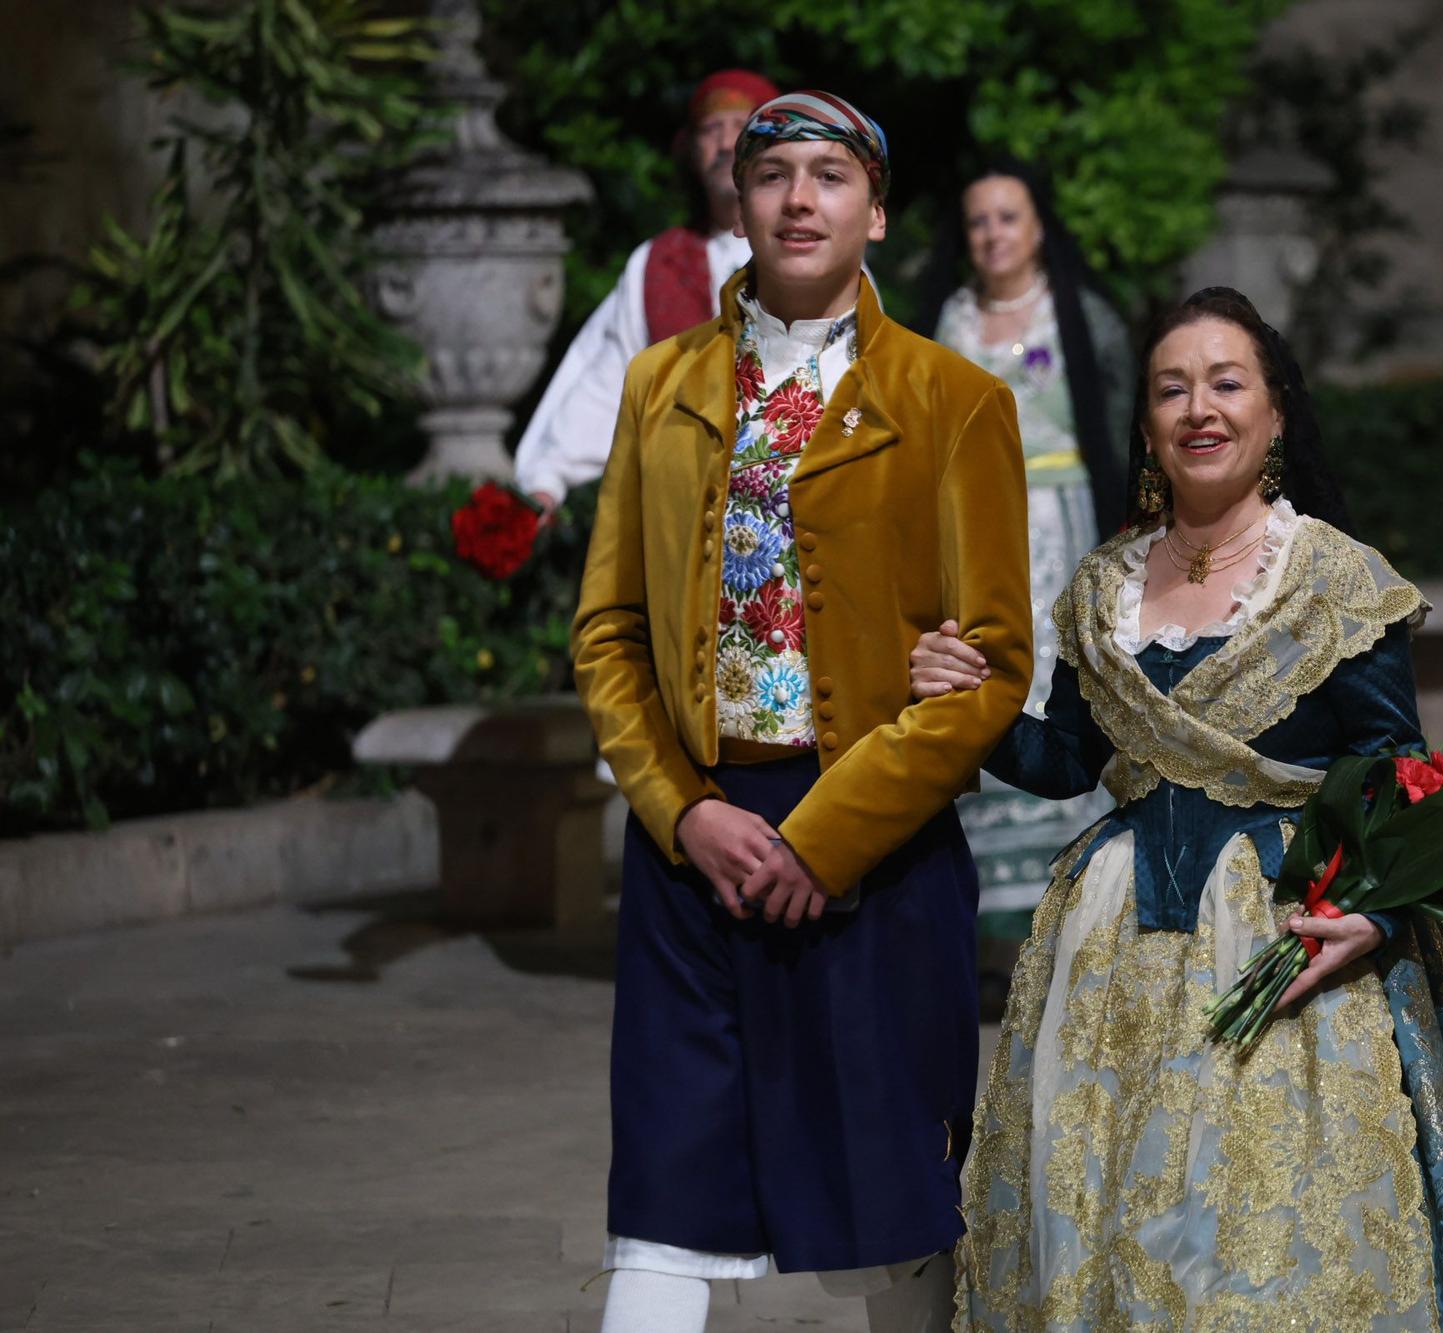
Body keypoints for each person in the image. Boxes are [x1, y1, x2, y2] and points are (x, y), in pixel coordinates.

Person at [912, 287, 1443, 1330]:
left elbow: (1395, 772)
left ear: (1274, 413)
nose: (1200, 408)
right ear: (1144, 424)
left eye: (1226, 383)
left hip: (1283, 945)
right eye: (1170, 388)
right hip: (1112, 961)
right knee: (1115, 1223)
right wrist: (971, 705)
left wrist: (1373, 916)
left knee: (1261, 1235)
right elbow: (1065, 758)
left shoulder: (1331, 579)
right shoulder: (1101, 586)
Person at [570, 91, 1033, 1333]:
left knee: (894, 1200)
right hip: (693, 848)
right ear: (739, 202)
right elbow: (607, 633)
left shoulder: (955, 401)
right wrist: (680, 811)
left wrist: (826, 839)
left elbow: (992, 663)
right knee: (667, 1191)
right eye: (772, 173)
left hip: (873, 849)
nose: (797, 197)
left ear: (874, 213)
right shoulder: (660, 387)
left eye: (829, 176)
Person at [910, 160, 1133, 934]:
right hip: (972, 527)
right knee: (981, 676)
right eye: (979, 220)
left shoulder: (1082, 316)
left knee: (1058, 681)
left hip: (1064, 526)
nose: (993, 234)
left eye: (1008, 216)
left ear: (1039, 226)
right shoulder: (946, 318)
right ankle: (987, 911)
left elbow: (1117, 427)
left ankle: (1077, 900)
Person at [514, 68, 779, 521]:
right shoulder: (656, 264)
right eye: (710, 130)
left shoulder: (817, 249)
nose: (724, 143)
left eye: (741, 127)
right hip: (683, 521)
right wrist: (547, 481)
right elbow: (609, 381)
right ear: (692, 151)